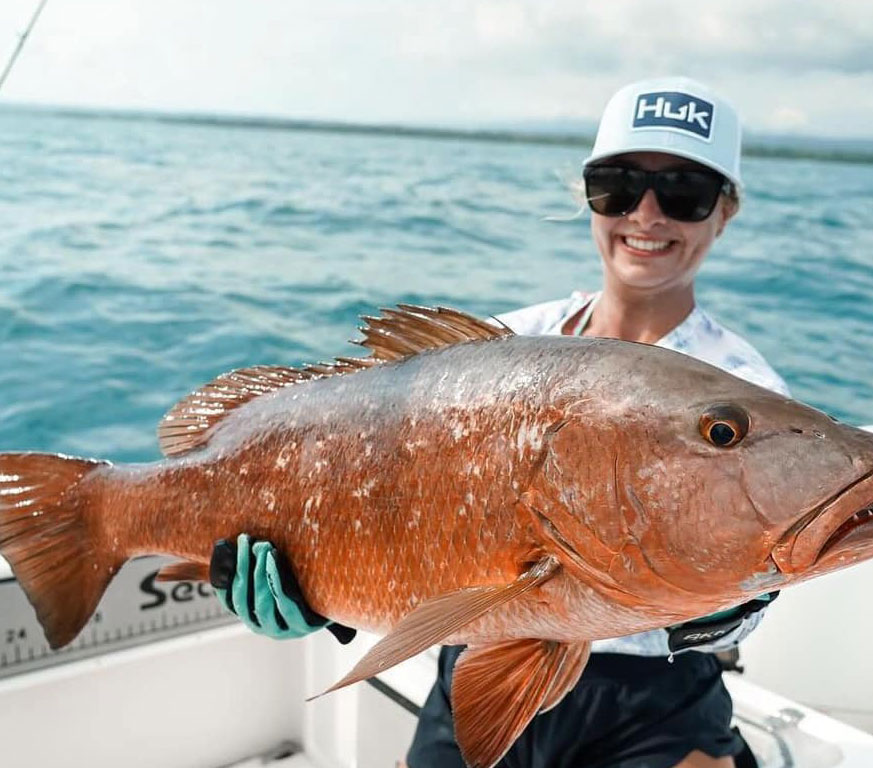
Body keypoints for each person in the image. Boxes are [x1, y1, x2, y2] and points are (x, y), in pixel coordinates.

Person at [210, 76, 790, 768]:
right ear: (587, 197)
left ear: (724, 213)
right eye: (618, 185)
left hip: (654, 698)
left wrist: (718, 604)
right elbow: (391, 505)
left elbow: (761, 581)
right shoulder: (506, 345)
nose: (648, 214)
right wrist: (319, 595)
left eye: (686, 193)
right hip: (477, 665)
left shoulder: (750, 395)